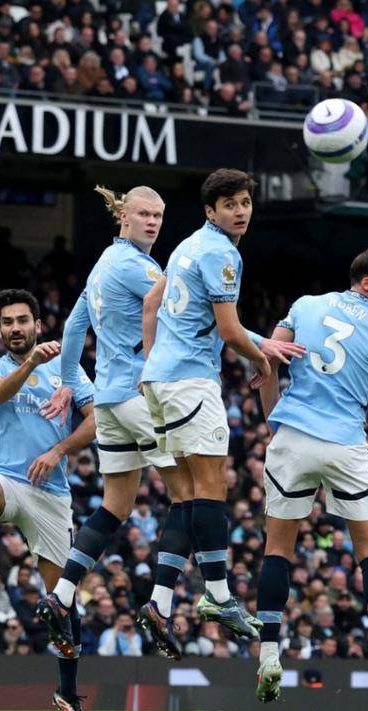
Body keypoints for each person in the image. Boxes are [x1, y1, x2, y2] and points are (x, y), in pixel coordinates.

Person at [137, 168, 303, 639]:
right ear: (211, 210)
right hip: (191, 382)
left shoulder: (188, 245)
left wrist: (154, 364)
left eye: (246, 202)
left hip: (161, 384)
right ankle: (220, 595)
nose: (241, 211)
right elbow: (228, 331)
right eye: (230, 204)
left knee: (186, 495)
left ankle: (160, 600)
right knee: (212, 486)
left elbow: (153, 305)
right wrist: (261, 359)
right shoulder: (223, 254)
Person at [40, 185, 193, 662]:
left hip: (107, 404)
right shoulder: (139, 267)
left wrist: (68, 379)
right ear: (123, 215)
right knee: (191, 495)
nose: (153, 222)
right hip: (137, 398)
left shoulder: (102, 265)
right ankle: (162, 602)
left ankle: (62, 594)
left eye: (159, 215)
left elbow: (71, 327)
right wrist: (254, 342)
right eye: (144, 213)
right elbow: (190, 309)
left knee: (115, 505)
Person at [254, 248, 368, 703]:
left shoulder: (304, 305)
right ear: (365, 283)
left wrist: (273, 419)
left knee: (277, 549)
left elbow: (267, 359)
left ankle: (267, 656)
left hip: (293, 437)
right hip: (345, 442)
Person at [0, 288, 96, 711]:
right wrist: (31, 363)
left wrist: (58, 451)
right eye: (7, 322)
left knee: (62, 604)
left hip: (50, 491)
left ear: (38, 323)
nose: (14, 328)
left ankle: (68, 695)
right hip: (6, 478)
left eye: (21, 321)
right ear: (1, 329)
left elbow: (95, 420)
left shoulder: (67, 369)